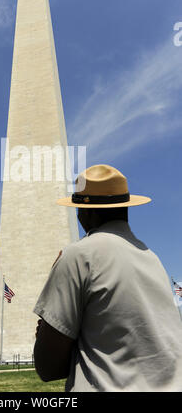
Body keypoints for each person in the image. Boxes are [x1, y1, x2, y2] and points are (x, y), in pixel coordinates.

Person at [33, 164, 182, 392]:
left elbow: (48, 368)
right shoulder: (153, 259)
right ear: (125, 207)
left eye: (78, 210)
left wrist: (46, 324)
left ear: (88, 212)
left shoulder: (79, 255)